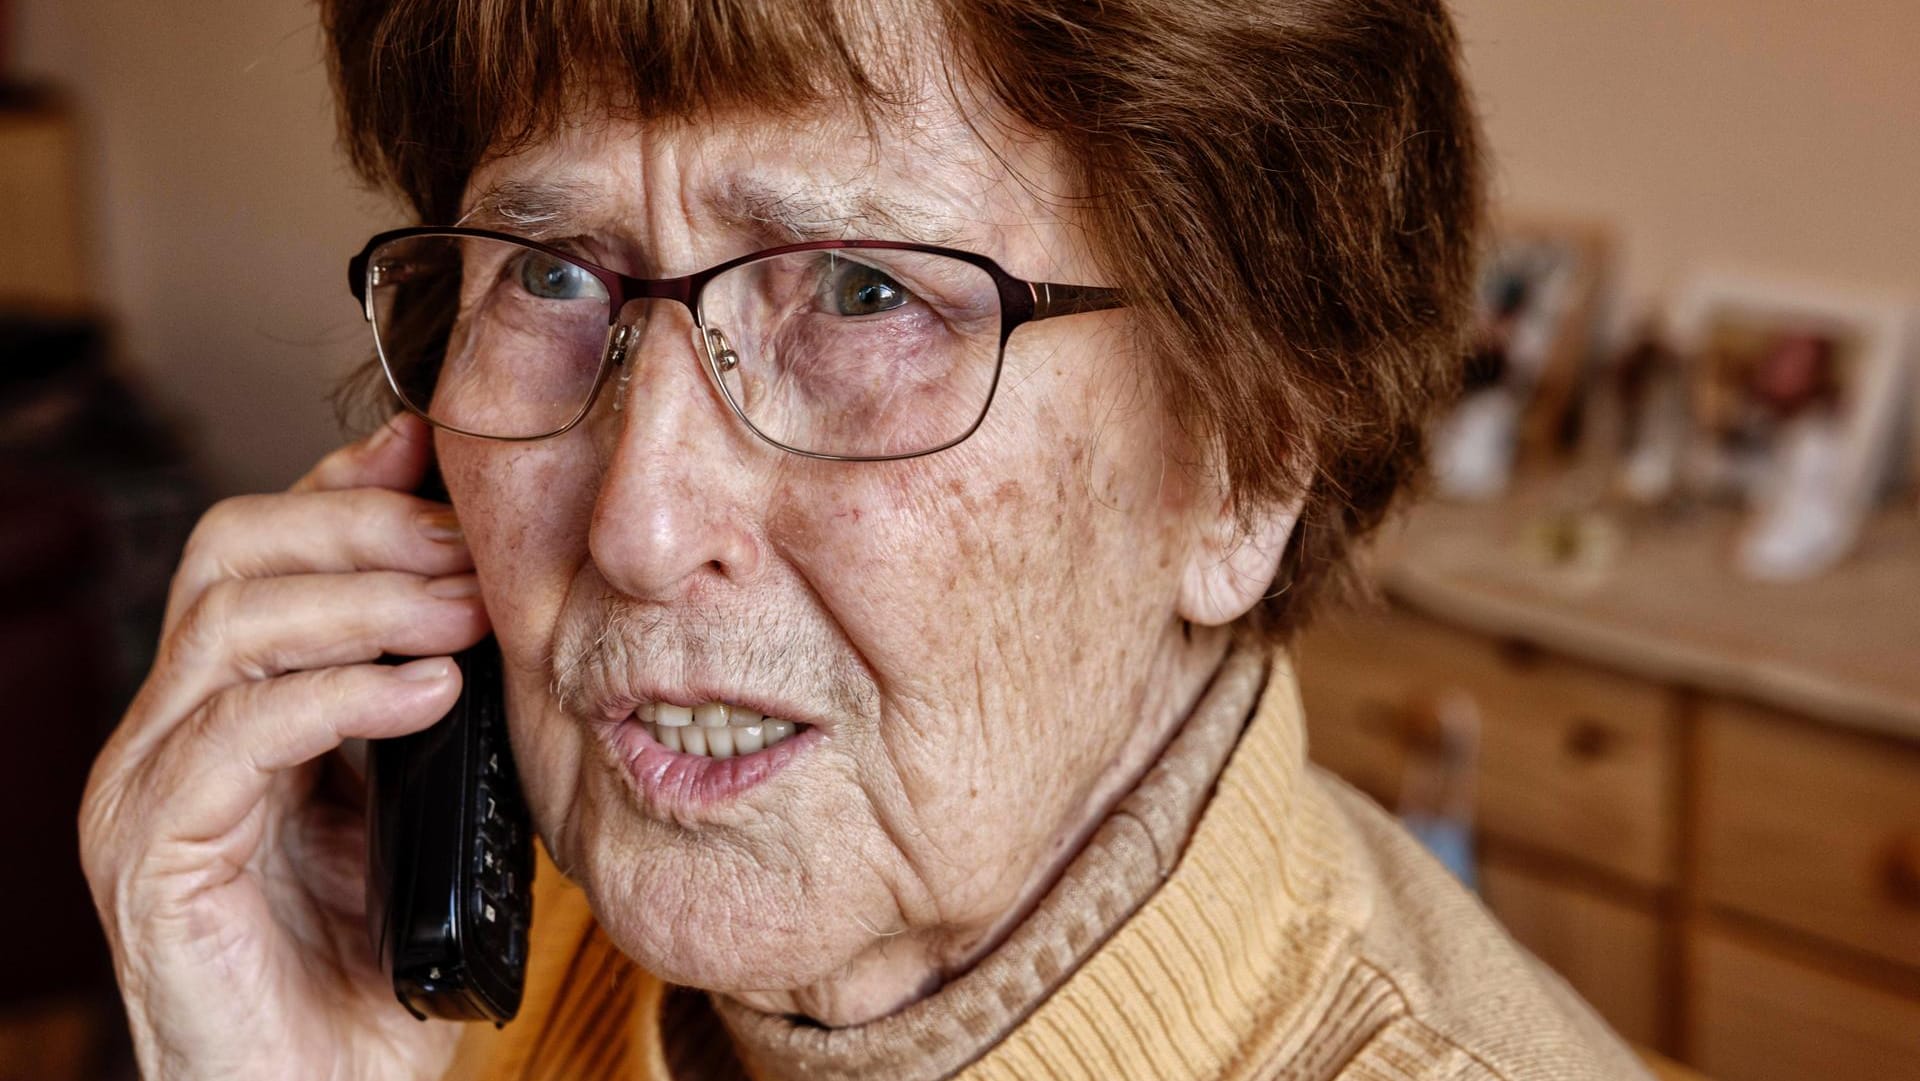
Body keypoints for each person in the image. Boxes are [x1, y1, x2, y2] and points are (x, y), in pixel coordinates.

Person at [79, 1, 1652, 1078]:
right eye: (552, 277)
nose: (638, 523)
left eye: (862, 291)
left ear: (1248, 460)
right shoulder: (439, 975)